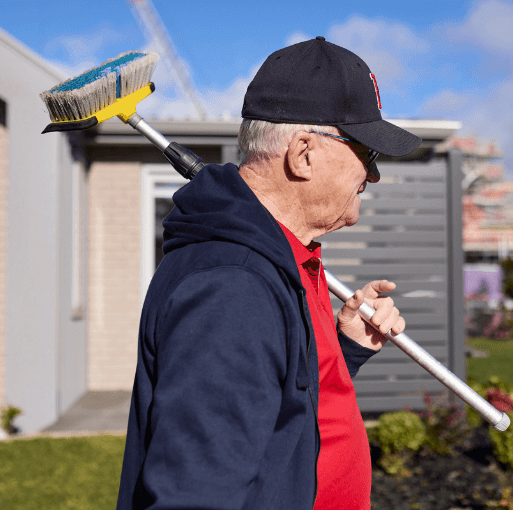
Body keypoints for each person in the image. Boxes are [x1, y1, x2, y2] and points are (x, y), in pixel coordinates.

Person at [116, 36, 422, 510]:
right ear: (304, 153)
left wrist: (344, 351)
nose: (373, 175)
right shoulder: (233, 287)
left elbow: (281, 407)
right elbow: (196, 495)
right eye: (367, 152)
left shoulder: (276, 260)